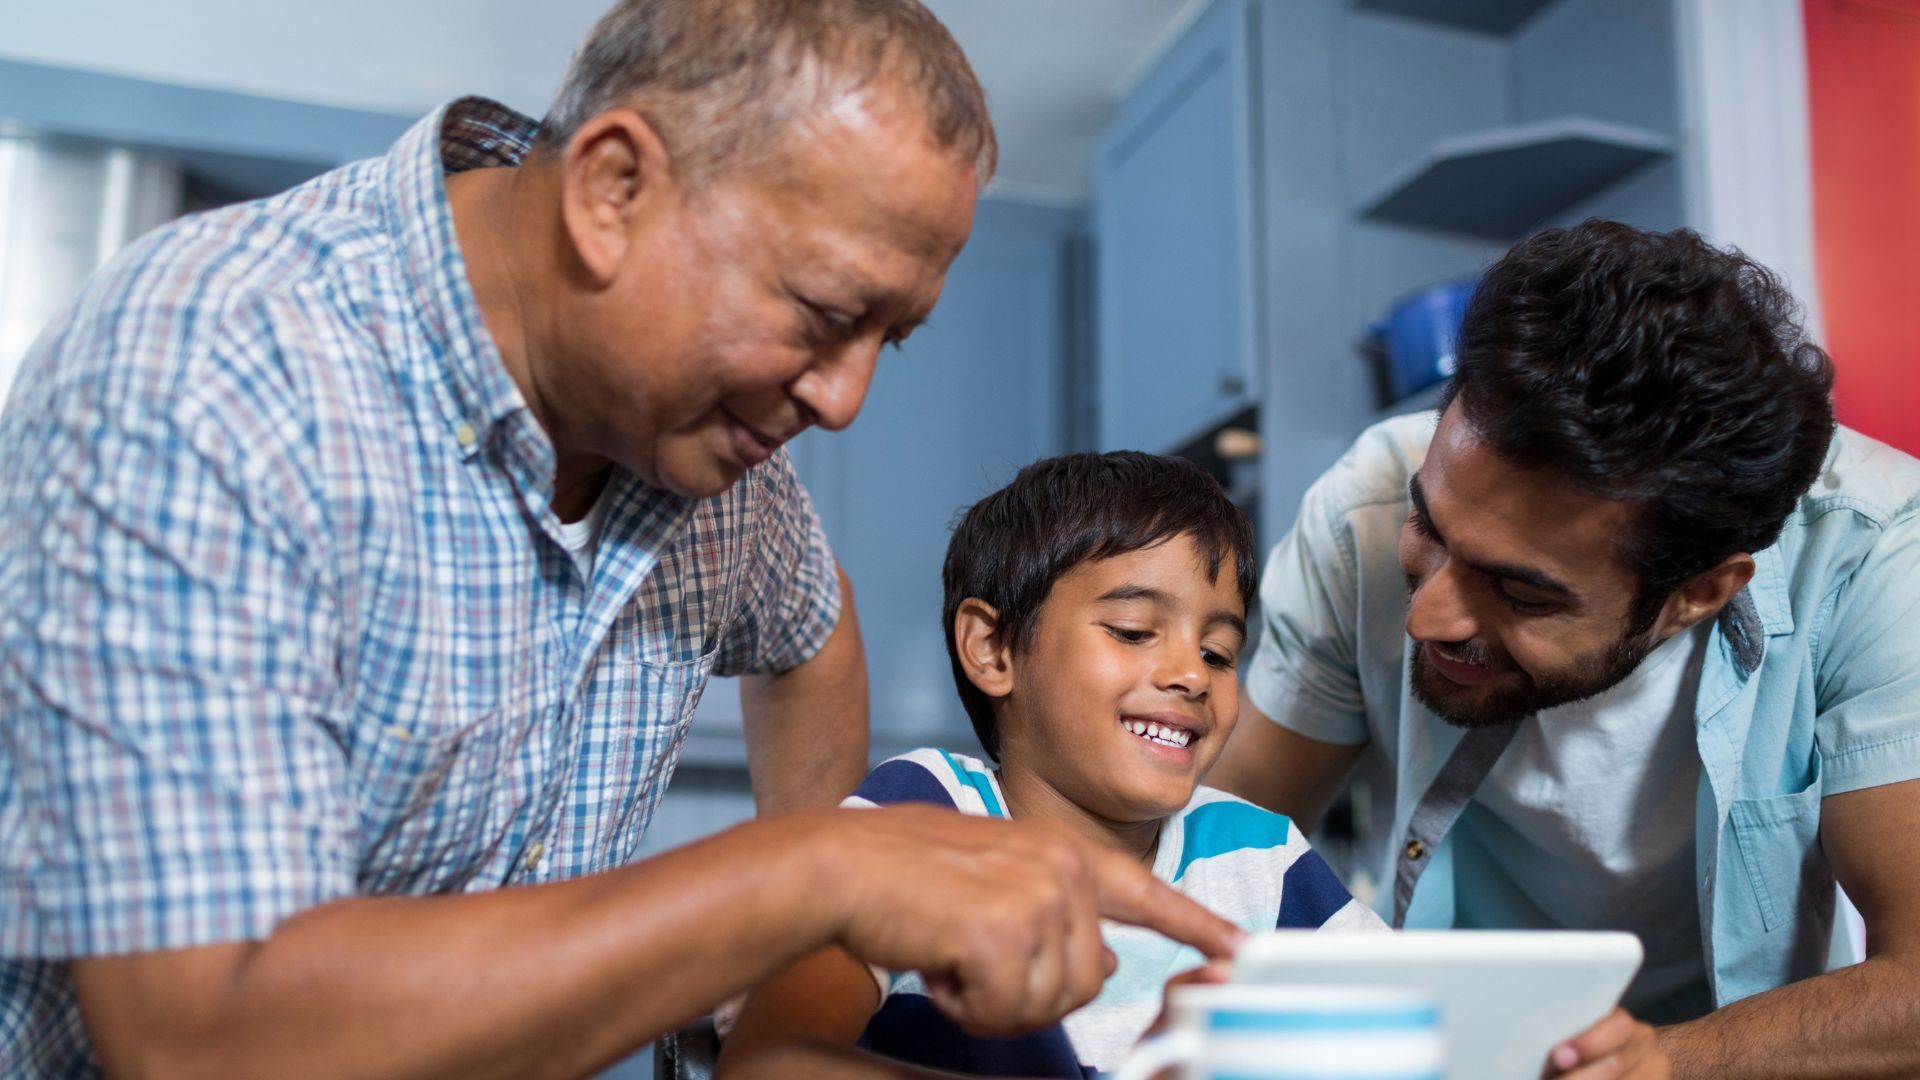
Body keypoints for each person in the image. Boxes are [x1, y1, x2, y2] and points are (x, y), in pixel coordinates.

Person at [0, 2, 1242, 1075]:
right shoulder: (209, 372)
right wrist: (813, 879)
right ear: (611, 189)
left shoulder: (701, 443)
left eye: (890, 338)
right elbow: (200, 1038)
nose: (845, 400)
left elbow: (813, 629)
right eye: (822, 313)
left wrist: (791, 970)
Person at [1212, 220, 1920, 1079]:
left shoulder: (1876, 559)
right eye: (1428, 531)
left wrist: (1658, 1064)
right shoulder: (1357, 510)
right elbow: (1217, 857)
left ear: (1700, 592)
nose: (1426, 619)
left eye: (1520, 592)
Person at [719, 452, 1384, 1079]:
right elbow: (772, 1063)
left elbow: (1412, 1027)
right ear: (994, 649)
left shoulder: (1258, 856)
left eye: (1217, 652)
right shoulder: (924, 813)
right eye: (1132, 631)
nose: (1190, 674)